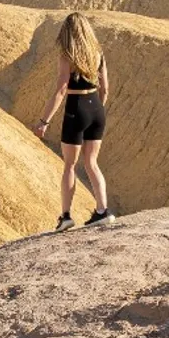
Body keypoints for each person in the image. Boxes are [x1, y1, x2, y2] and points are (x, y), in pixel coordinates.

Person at [32, 12, 114, 231]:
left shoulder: (67, 55)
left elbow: (61, 90)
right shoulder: (98, 54)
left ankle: (66, 216)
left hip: (76, 108)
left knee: (70, 165)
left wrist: (44, 121)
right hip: (96, 107)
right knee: (92, 163)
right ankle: (102, 210)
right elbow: (105, 88)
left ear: (67, 32)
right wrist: (97, 108)